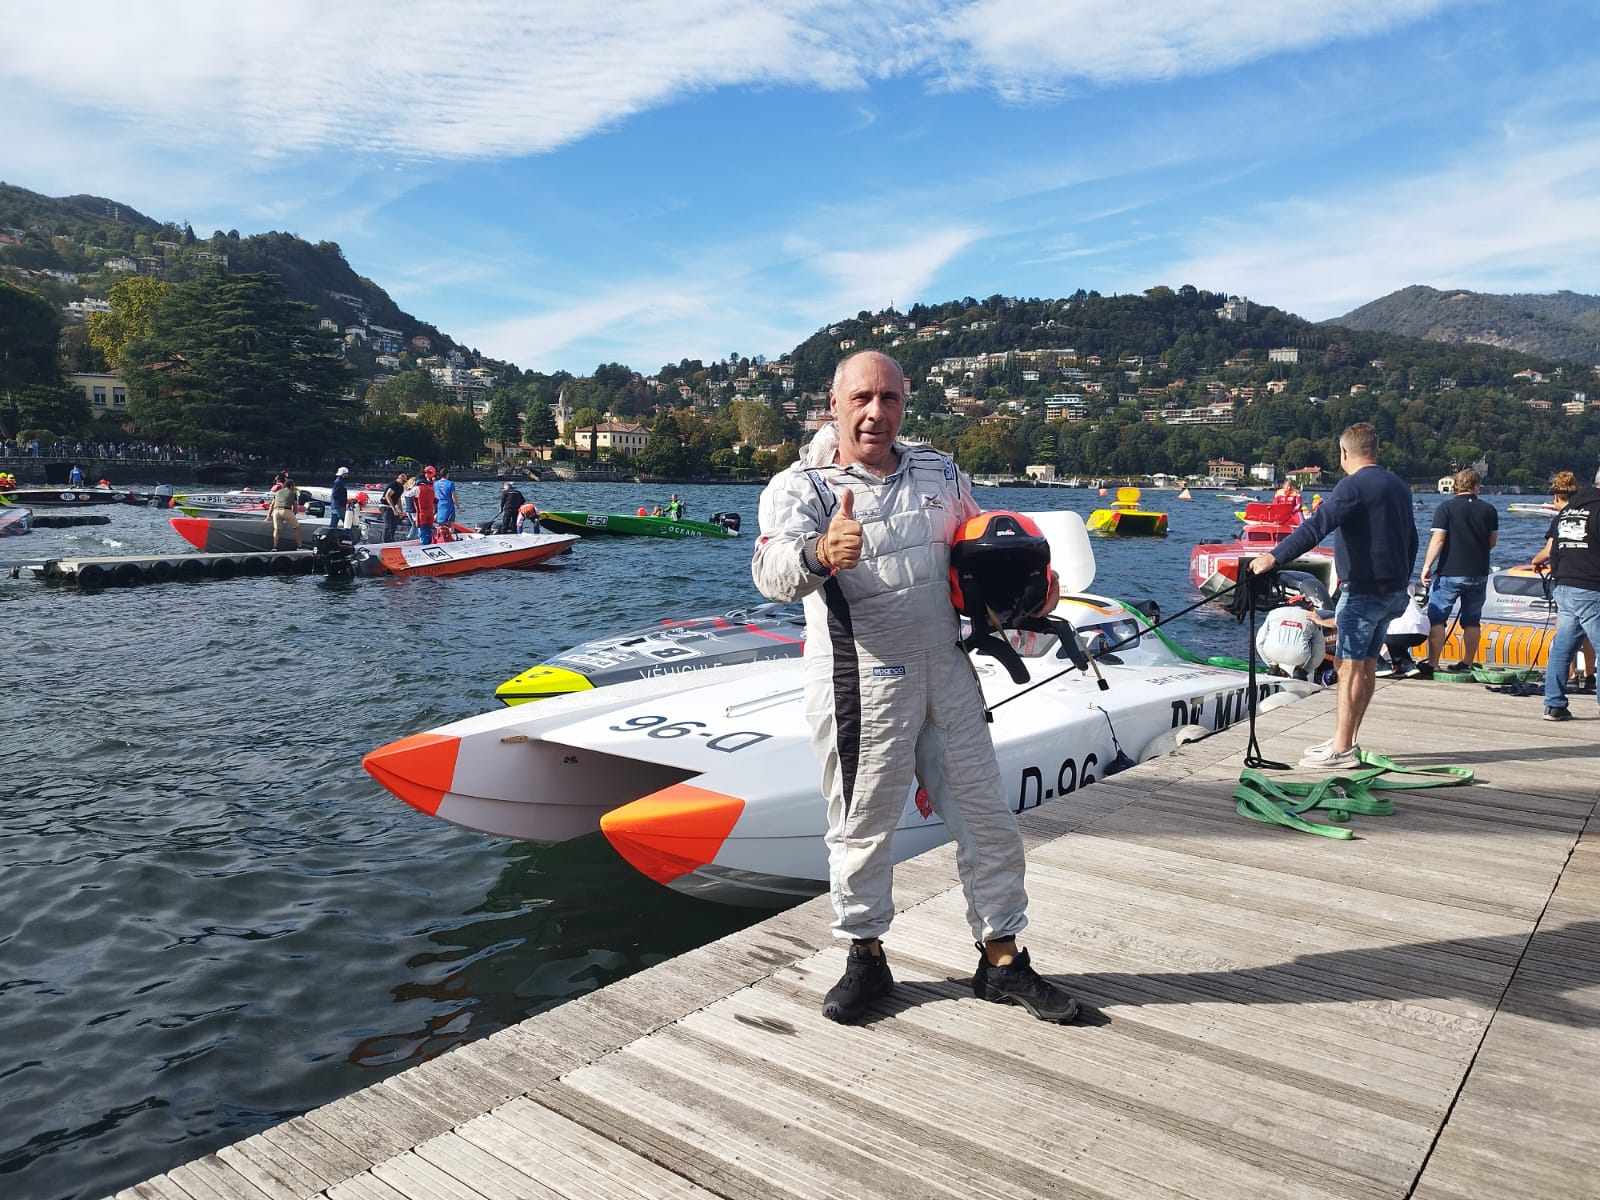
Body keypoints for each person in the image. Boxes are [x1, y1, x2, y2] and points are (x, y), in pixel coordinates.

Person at [751, 349, 1079, 1026]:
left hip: (946, 667)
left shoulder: (936, 468)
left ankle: (1002, 959)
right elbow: (771, 571)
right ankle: (866, 956)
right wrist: (819, 553)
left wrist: (1027, 588)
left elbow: (978, 542)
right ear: (834, 405)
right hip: (860, 678)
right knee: (862, 825)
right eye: (862, 398)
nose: (877, 413)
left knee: (988, 817)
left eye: (890, 399)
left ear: (904, 404)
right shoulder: (802, 488)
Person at [1249, 422, 1417, 769]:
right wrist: (1402, 579)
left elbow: (1316, 527)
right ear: (1377, 449)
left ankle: (1341, 750)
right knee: (1367, 664)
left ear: (1343, 453)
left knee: (1348, 666)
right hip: (1394, 591)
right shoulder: (1399, 487)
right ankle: (1348, 739)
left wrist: (1273, 557)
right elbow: (1412, 540)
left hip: (1364, 592)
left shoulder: (1352, 486)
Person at [1417, 467, 1499, 677]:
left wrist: (1426, 566)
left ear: (1455, 486)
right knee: (1472, 620)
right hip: (1478, 572)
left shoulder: (1445, 508)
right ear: (1476, 486)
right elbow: (1492, 542)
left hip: (1450, 571)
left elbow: (1438, 540)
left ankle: (1434, 662)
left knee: (1437, 618)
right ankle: (1467, 662)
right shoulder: (1489, 510)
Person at [1540, 466, 1600, 721]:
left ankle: (1554, 703)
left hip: (1563, 585)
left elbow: (1553, 549)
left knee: (1562, 647)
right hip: (1591, 586)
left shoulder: (1568, 510)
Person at [1378, 587, 1431, 678]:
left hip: (1396, 631)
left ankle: (1379, 665)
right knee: (1394, 636)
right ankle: (1407, 665)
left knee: (1365, 632)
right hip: (1421, 631)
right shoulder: (1404, 583)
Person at [270, 474, 302, 550]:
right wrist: (293, 515)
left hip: (276, 511)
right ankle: (299, 547)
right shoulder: (293, 493)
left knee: (276, 529)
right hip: (286, 510)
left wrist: (269, 516)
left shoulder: (278, 492)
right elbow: (295, 506)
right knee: (296, 528)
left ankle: (274, 547)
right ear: (291, 486)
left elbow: (272, 505)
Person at [380, 471, 409, 543]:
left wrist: (401, 510)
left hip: (392, 507)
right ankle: (386, 541)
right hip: (385, 506)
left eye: (405, 481)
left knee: (393, 525)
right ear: (399, 478)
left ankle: (391, 540)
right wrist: (394, 509)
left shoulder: (400, 487)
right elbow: (388, 495)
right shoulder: (394, 485)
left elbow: (398, 499)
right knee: (388, 525)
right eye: (403, 481)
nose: (404, 483)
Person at [414, 466, 438, 545]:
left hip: (421, 513)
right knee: (428, 529)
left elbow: (407, 495)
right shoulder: (431, 488)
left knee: (422, 530)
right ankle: (428, 542)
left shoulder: (417, 488)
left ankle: (423, 544)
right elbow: (436, 499)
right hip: (430, 512)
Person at [433, 467, 457, 532]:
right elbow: (453, 496)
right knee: (451, 522)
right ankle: (451, 534)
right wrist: (458, 506)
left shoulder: (435, 483)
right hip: (449, 503)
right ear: (447, 474)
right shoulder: (450, 483)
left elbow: (435, 495)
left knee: (441, 522)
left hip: (440, 503)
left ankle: (440, 535)